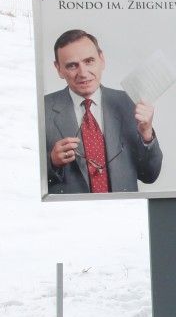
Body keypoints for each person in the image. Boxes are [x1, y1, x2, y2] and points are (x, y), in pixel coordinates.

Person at [45, 29, 162, 194]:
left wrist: (147, 134)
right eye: (72, 65)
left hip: (122, 212)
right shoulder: (41, 109)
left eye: (89, 61)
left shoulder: (130, 104)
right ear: (58, 69)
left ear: (102, 59)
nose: (83, 73)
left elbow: (150, 175)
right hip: (71, 215)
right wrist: (51, 161)